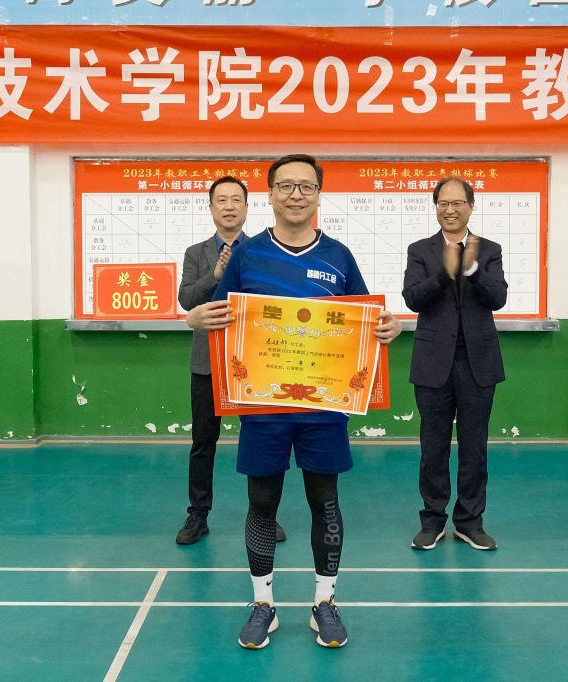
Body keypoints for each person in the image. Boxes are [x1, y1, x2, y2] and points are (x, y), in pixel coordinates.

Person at [186, 154, 402, 650]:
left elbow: (365, 319)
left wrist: (385, 328)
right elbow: (219, 314)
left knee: (325, 502)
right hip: (263, 407)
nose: (296, 195)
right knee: (262, 503)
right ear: (270, 195)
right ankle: (263, 604)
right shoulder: (248, 254)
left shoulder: (339, 256)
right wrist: (194, 319)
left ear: (319, 194)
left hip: (323, 408)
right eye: (286, 186)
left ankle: (325, 602)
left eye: (306, 186)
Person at [174, 175, 285, 546]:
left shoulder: (263, 250)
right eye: (221, 200)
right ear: (211, 208)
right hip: (208, 362)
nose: (229, 206)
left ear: (247, 207)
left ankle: (264, 516)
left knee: (261, 440)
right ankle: (198, 514)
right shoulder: (196, 253)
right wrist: (216, 275)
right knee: (203, 442)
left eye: (236, 199)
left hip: (253, 361)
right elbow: (187, 300)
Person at [402, 177, 507, 552]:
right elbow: (413, 298)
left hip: (478, 363)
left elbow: (498, 298)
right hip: (433, 363)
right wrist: (444, 274)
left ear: (470, 206)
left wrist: (471, 269)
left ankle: (469, 522)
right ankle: (432, 521)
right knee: (433, 448)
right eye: (443, 203)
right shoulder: (420, 250)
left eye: (457, 203)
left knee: (475, 448)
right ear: (436, 208)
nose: (450, 210)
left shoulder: (489, 250)